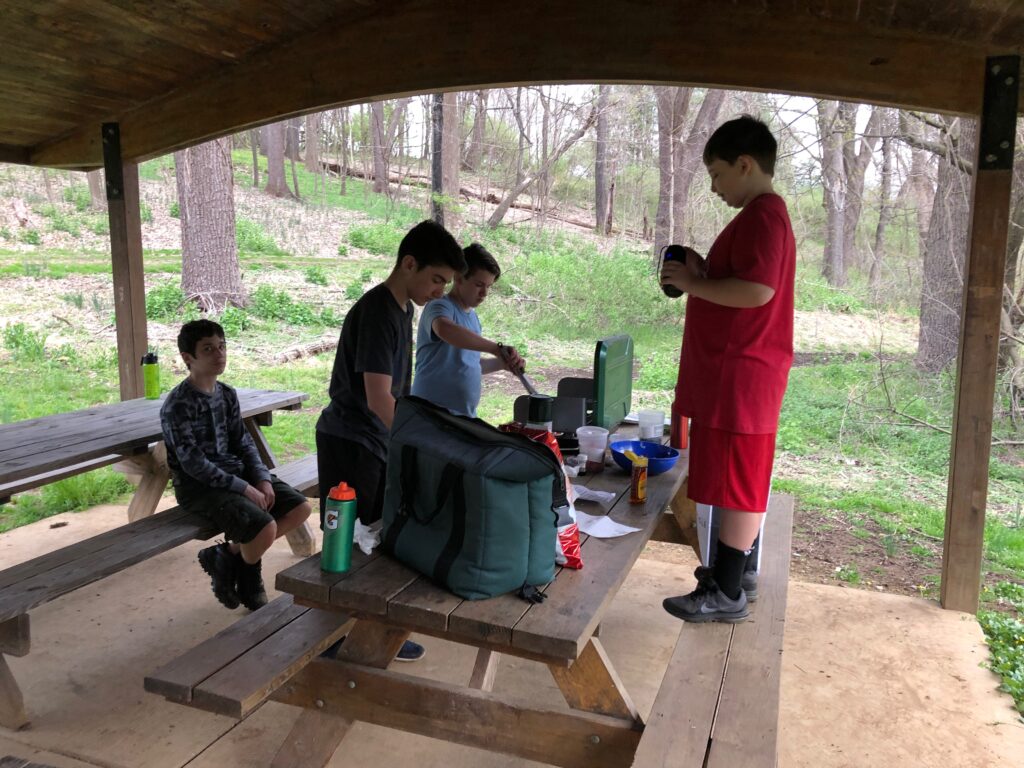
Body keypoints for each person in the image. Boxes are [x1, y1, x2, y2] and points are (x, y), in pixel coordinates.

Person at [659, 115, 796, 623]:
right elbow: (742, 280)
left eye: (717, 174)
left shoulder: (765, 215)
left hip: (744, 371)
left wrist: (695, 286)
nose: (714, 186)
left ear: (745, 164)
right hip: (739, 373)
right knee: (742, 478)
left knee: (741, 480)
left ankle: (728, 592)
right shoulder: (761, 216)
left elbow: (758, 291)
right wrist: (704, 270)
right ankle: (733, 574)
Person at [316, 219, 466, 661]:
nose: (440, 290)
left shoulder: (404, 311)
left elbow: (398, 392)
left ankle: (369, 628)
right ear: (408, 263)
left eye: (446, 282)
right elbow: (379, 396)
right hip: (350, 439)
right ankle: (334, 635)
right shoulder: (379, 311)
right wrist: (417, 441)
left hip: (375, 438)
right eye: (436, 278)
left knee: (375, 538)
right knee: (347, 543)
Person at [161, 319, 313, 612]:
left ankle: (228, 556)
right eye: (208, 349)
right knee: (264, 527)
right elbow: (193, 464)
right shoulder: (178, 405)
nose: (219, 354)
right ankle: (249, 576)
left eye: (222, 346)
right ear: (188, 358)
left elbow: (244, 442)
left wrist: (262, 480)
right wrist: (244, 488)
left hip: (235, 475)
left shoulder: (227, 394)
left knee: (300, 508)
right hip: (200, 487)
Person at [412, 242, 524, 417]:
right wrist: (495, 348)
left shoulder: (473, 318)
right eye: (479, 284)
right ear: (459, 278)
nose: (484, 293)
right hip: (430, 415)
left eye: (489, 286)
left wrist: (502, 363)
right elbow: (445, 329)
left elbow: (469, 364)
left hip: (463, 417)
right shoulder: (439, 305)